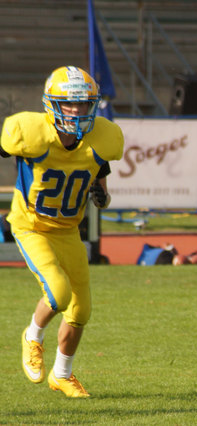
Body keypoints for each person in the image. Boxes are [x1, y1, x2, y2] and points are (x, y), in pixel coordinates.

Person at [1, 66, 124, 397]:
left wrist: (102, 193)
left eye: (83, 104)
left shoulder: (101, 137)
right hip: (32, 226)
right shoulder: (30, 134)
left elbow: (100, 171)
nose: (76, 111)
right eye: (69, 104)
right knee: (58, 293)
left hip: (68, 229)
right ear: (51, 105)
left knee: (81, 310)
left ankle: (62, 374)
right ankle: (33, 336)